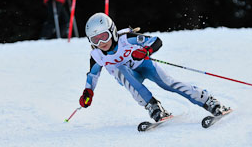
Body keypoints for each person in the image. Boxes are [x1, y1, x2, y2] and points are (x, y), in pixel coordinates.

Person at [79, 12, 228, 122]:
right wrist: (88, 92)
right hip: (130, 76)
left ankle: (208, 100)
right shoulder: (97, 55)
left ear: (112, 31)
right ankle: (153, 106)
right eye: (95, 40)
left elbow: (156, 41)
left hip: (145, 65)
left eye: (104, 36)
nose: (101, 43)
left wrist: (145, 51)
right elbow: (92, 75)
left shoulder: (126, 39)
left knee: (169, 84)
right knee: (119, 70)